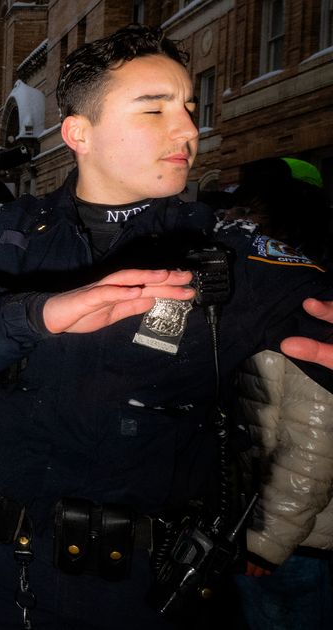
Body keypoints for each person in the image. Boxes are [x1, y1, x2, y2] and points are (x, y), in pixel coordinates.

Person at [0, 25, 333, 629]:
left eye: (189, 109)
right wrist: (39, 314)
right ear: (79, 133)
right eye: (155, 110)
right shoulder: (8, 235)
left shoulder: (231, 256)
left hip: (141, 590)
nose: (187, 132)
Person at [226, 159, 333, 630]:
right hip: (264, 522)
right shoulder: (267, 282)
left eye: (252, 209)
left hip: (294, 540)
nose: (241, 221)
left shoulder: (305, 293)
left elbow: (316, 437)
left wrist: (268, 541)